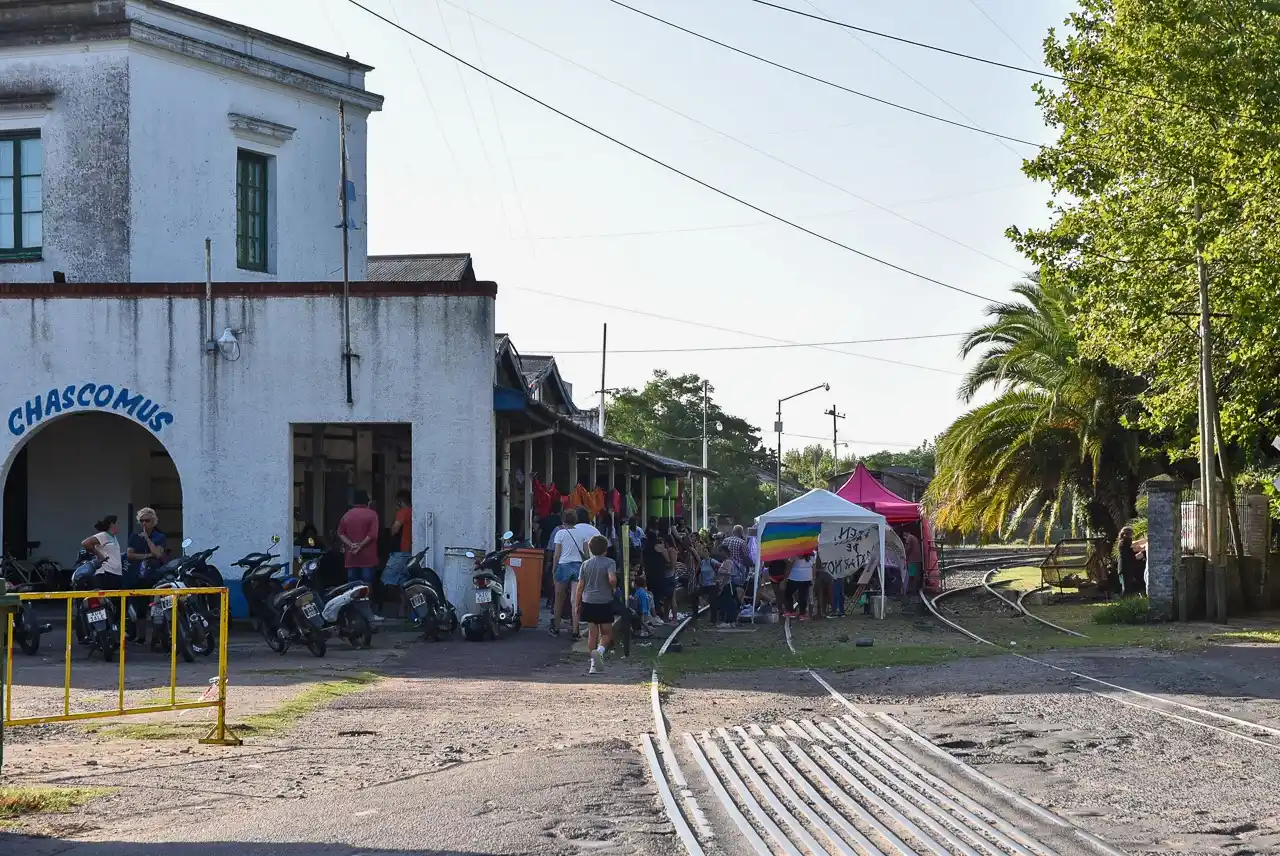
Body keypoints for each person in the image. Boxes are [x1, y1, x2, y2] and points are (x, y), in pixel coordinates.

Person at [549, 507, 600, 637]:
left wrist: (553, 569)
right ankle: (575, 630)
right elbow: (586, 553)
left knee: (559, 598)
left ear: (563, 520)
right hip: (578, 566)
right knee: (575, 600)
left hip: (563, 566)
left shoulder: (560, 533)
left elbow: (556, 554)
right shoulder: (581, 534)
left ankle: (556, 627)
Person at [576, 535, 618, 675]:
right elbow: (612, 579)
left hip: (588, 601)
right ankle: (600, 652)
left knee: (592, 634)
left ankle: (593, 665)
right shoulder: (609, 562)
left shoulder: (585, 564)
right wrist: (614, 587)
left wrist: (577, 604)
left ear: (590, 549)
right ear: (605, 549)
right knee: (606, 633)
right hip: (604, 601)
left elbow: (580, 586)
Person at [126, 508, 167, 644]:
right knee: (140, 608)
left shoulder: (159, 536)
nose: (144, 523)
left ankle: (156, 636)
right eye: (142, 521)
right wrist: (146, 556)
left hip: (155, 574)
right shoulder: (134, 536)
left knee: (157, 606)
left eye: (147, 521)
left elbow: (158, 554)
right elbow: (130, 554)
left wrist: (148, 540)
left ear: (153, 522)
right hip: (138, 575)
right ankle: (141, 636)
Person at [337, 489, 380, 586]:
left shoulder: (347, 515)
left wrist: (351, 545)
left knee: (352, 586)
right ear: (366, 501)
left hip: (351, 557)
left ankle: (354, 601)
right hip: (368, 558)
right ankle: (366, 601)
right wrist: (360, 546)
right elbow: (372, 535)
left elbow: (341, 533)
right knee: (367, 584)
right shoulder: (372, 514)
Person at [381, 490, 413, 616]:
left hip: (400, 551)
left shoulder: (403, 512)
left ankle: (403, 603)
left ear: (400, 502)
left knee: (387, 579)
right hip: (409, 551)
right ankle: (404, 609)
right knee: (403, 581)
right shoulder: (413, 512)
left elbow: (394, 529)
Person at [81, 515, 123, 586]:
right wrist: (98, 554)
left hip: (116, 574)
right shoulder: (103, 535)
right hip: (106, 573)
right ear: (112, 524)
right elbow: (85, 543)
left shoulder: (114, 538)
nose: (119, 525)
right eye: (118, 523)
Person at [689, 542, 720, 623]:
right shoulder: (702, 562)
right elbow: (700, 574)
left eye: (706, 551)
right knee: (694, 595)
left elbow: (721, 567)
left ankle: (713, 619)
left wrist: (716, 578)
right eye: (703, 551)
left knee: (712, 601)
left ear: (709, 553)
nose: (704, 553)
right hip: (704, 585)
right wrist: (700, 583)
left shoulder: (712, 561)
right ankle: (695, 613)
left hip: (712, 585)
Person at [785, 551, 816, 620]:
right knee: (803, 596)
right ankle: (802, 613)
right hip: (806, 578)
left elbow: (789, 566)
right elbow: (814, 567)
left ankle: (791, 611)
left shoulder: (794, 554)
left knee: (788, 593)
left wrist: (786, 578)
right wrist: (813, 578)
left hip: (794, 578)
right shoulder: (811, 555)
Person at [1118, 526, 1146, 595]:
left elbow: (1135, 552)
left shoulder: (1125, 543)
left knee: (1128, 588)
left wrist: (1144, 550)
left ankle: (1126, 602)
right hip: (1125, 568)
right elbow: (1136, 544)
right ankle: (1124, 603)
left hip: (1127, 567)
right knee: (1126, 589)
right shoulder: (1124, 541)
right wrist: (1147, 540)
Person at [902, 528, 923, 594]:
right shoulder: (914, 537)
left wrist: (903, 554)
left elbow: (908, 548)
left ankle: (912, 590)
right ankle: (916, 589)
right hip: (917, 559)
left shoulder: (909, 537)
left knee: (912, 575)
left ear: (906, 532)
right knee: (916, 575)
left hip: (912, 559)